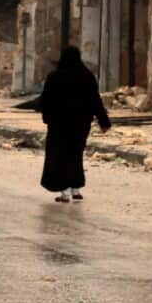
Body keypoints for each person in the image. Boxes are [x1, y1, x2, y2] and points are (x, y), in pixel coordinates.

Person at [40, 47, 112, 202]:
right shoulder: (87, 76)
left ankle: (65, 191)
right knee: (75, 154)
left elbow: (46, 101)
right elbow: (95, 100)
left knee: (60, 155)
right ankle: (76, 188)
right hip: (81, 124)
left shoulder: (55, 77)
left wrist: (46, 118)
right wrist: (103, 121)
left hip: (59, 124)